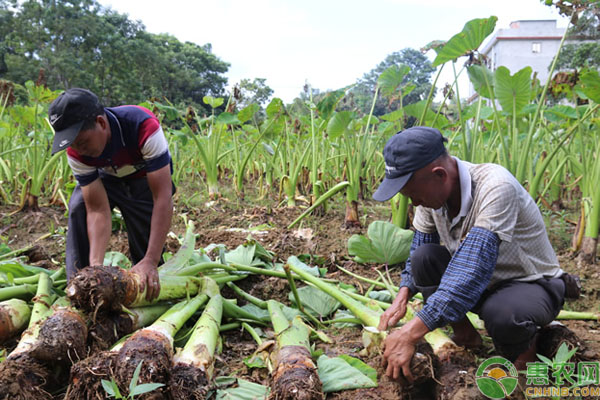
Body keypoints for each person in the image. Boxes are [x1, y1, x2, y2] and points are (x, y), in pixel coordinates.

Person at [373, 126, 569, 382]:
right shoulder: (431, 196)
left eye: (413, 195)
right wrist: (403, 295)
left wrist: (410, 333)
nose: (414, 203)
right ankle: (466, 335)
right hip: (483, 285)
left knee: (504, 314)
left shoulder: (496, 186)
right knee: (424, 256)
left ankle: (524, 358)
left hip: (531, 284)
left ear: (439, 175)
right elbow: (418, 250)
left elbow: (472, 268)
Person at [49, 88, 174, 301]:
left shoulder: (142, 126)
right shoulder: (76, 152)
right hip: (107, 177)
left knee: (148, 258)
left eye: (82, 142)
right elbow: (97, 209)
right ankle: (80, 284)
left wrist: (151, 260)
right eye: (73, 145)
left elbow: (162, 197)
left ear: (102, 123)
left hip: (143, 179)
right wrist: (96, 267)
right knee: (79, 204)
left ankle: (149, 266)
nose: (78, 150)